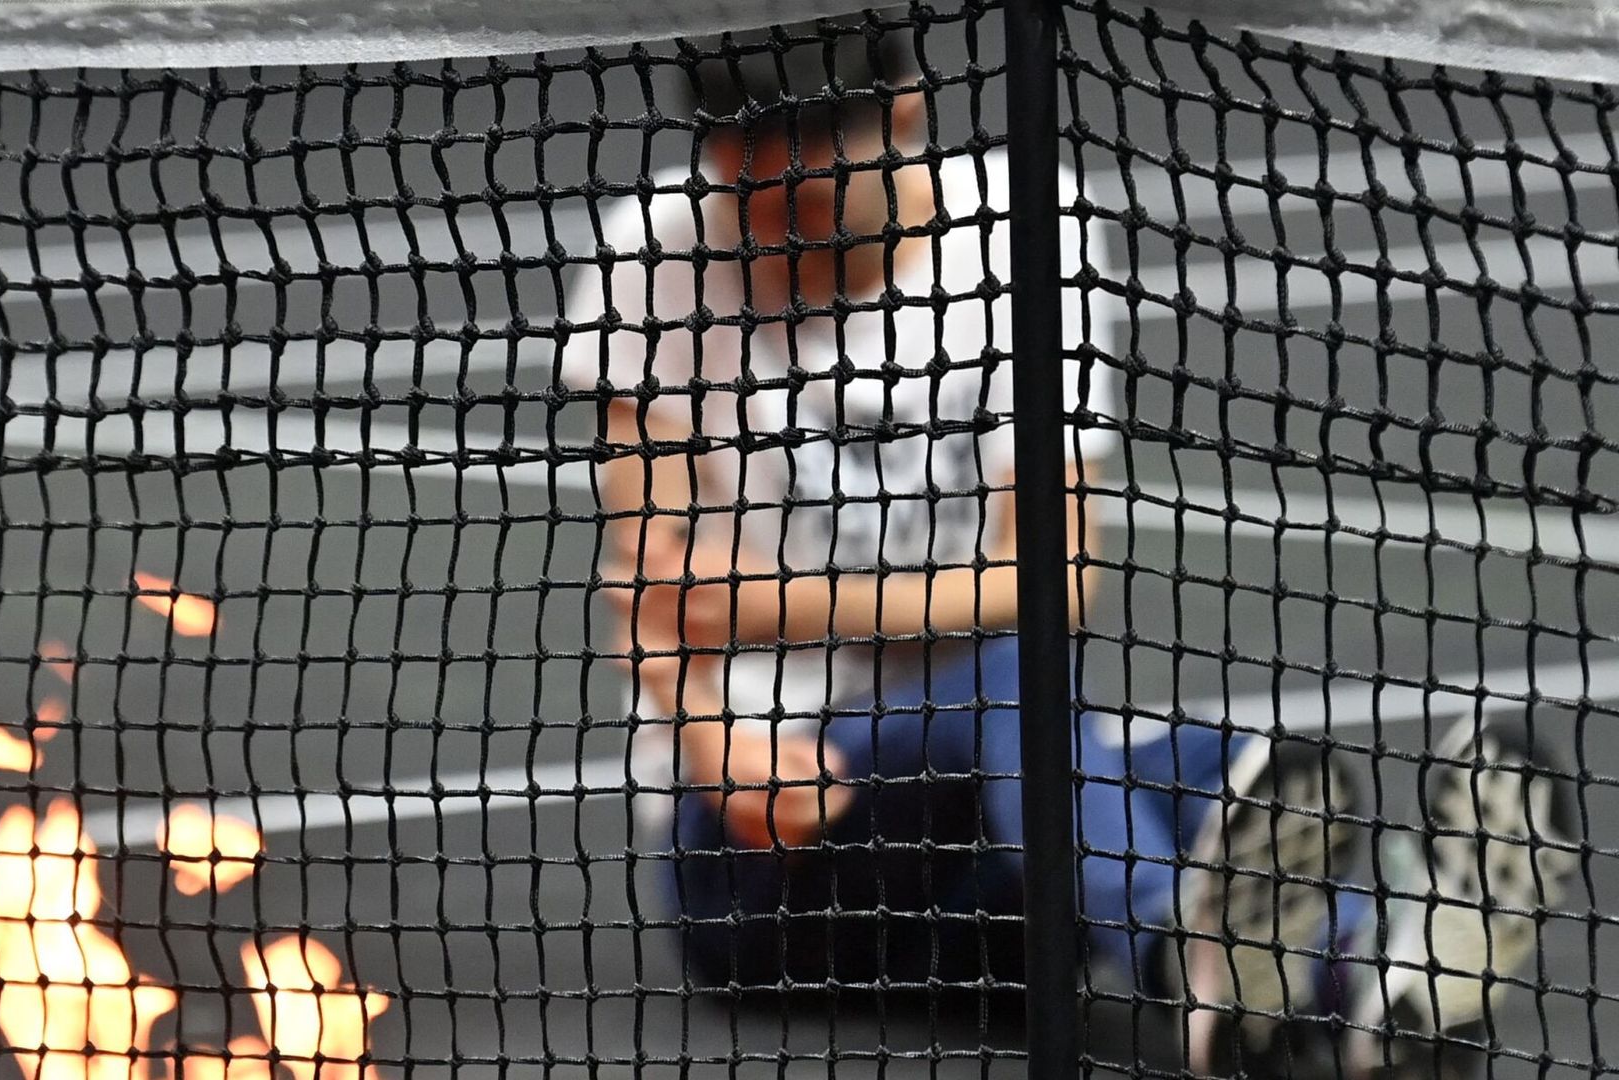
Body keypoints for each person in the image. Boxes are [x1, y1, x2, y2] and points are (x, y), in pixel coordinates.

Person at [556, 26, 1577, 1076]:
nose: (756, 186)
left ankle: (1373, 999)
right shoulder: (664, 249)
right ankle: (1229, 952)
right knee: (1028, 689)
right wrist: (709, 741)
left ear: (902, 110)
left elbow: (1050, 573)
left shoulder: (1017, 230)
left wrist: (770, 603)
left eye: (800, 160)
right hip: (760, 864)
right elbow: (660, 584)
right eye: (739, 157)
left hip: (986, 852)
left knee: (1214, 770)